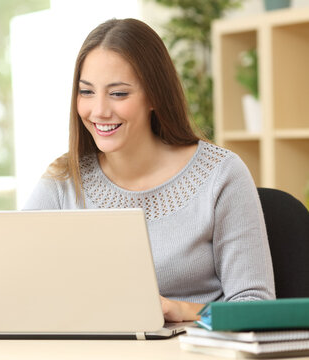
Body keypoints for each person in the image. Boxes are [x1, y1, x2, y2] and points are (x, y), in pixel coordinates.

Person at [23, 18, 275, 322]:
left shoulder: (221, 175)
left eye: (118, 93)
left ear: (154, 96)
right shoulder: (64, 180)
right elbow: (13, 281)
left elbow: (256, 307)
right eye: (86, 92)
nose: (99, 110)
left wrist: (184, 310)